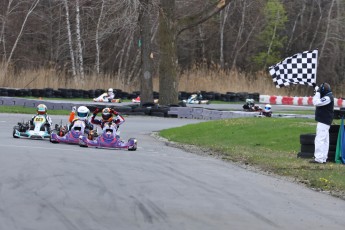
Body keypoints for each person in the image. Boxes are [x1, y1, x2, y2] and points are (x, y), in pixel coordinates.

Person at [310, 82, 334, 164]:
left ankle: (319, 158)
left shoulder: (328, 97)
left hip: (324, 121)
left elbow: (316, 102)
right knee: (325, 140)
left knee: (319, 139)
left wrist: (317, 93)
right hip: (325, 121)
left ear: (323, 90)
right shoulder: (328, 95)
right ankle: (323, 158)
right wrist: (316, 88)